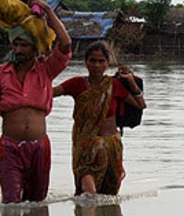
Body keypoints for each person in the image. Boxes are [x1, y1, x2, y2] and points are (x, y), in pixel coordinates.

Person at [0, 0, 72, 203]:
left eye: (24, 45)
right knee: (10, 203)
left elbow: (65, 43)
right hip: (10, 147)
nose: (18, 50)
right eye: (15, 44)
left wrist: (47, 9)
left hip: (39, 147)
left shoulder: (46, 70)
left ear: (35, 47)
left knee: (38, 204)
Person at [53, 41, 146, 195]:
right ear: (85, 62)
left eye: (101, 61)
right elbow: (48, 93)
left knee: (110, 193)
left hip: (111, 145)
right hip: (86, 146)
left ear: (108, 63)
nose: (96, 65)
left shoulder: (114, 85)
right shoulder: (77, 84)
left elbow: (140, 104)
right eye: (92, 61)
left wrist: (131, 82)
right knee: (88, 190)